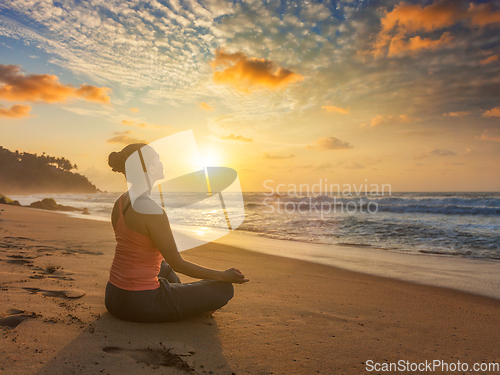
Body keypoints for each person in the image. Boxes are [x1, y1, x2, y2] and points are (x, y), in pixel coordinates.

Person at [105, 143, 248, 323]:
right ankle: (186, 305)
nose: (161, 162)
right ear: (149, 168)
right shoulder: (151, 210)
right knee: (224, 289)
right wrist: (222, 275)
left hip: (113, 296)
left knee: (164, 267)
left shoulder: (120, 202)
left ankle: (181, 299)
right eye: (157, 159)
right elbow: (179, 264)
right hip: (140, 304)